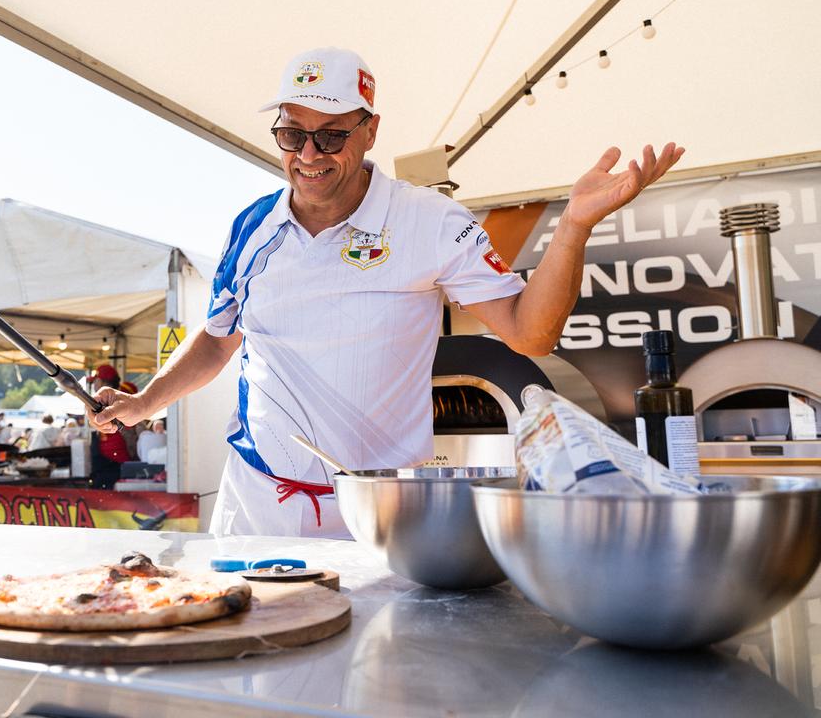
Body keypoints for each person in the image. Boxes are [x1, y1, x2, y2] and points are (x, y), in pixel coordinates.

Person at [90, 46, 684, 537]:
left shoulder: (430, 220)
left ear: (370, 130)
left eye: (330, 136)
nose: (308, 155)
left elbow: (532, 332)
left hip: (372, 515)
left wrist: (575, 225)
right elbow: (219, 343)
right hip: (253, 506)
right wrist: (145, 402)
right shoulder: (252, 226)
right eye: (291, 134)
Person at [86, 364, 136, 488]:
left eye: (96, 381)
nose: (94, 386)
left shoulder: (116, 402)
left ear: (103, 383)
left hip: (119, 469)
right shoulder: (102, 403)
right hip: (107, 467)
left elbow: (130, 435)